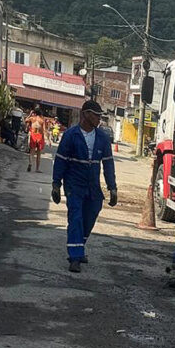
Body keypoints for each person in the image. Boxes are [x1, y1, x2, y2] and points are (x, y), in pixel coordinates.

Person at [51, 98, 117, 273]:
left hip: (92, 185)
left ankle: (79, 247)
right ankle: (74, 257)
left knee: (91, 215)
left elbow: (108, 163)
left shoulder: (102, 138)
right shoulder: (71, 135)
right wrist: (56, 184)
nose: (98, 120)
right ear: (85, 114)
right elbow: (61, 160)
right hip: (74, 184)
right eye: (96, 116)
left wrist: (112, 187)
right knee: (76, 218)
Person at [26, 106, 45, 172]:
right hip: (39, 136)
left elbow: (25, 120)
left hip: (33, 136)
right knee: (38, 154)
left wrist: (30, 114)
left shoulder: (32, 118)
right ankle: (37, 169)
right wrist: (46, 139)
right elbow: (43, 130)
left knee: (31, 152)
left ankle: (30, 163)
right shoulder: (42, 120)